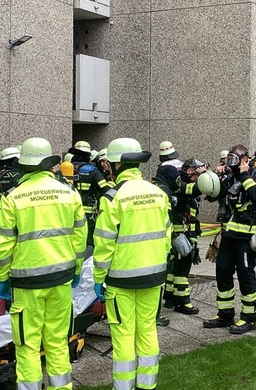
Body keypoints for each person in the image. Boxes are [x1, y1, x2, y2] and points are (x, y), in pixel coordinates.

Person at [0, 137, 87, 390]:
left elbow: (3, 245)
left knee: (27, 345)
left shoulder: (13, 197)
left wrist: (2, 278)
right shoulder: (69, 193)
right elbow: (80, 239)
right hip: (62, 279)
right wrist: (76, 271)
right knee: (57, 342)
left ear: (24, 164)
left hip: (26, 284)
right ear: (49, 164)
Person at [93, 138, 171, 390]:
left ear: (116, 164)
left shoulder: (113, 197)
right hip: (153, 276)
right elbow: (166, 236)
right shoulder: (158, 193)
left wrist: (98, 278)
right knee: (148, 330)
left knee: (124, 335)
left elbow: (104, 244)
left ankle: (124, 387)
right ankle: (147, 386)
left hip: (120, 280)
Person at [205, 144, 256, 334]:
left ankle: (249, 317)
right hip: (228, 235)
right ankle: (225, 314)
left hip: (246, 238)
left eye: (235, 160)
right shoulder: (230, 176)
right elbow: (213, 196)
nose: (231, 164)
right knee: (222, 272)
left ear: (245, 159)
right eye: (229, 159)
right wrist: (215, 177)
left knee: (245, 274)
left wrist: (244, 175)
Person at [156, 158, 206, 315]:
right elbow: (197, 189)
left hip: (182, 231)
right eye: (196, 174)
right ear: (190, 171)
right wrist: (206, 176)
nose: (198, 179)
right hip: (180, 232)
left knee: (173, 267)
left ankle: (170, 297)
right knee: (182, 269)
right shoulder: (182, 184)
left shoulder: (178, 183)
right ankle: (183, 302)